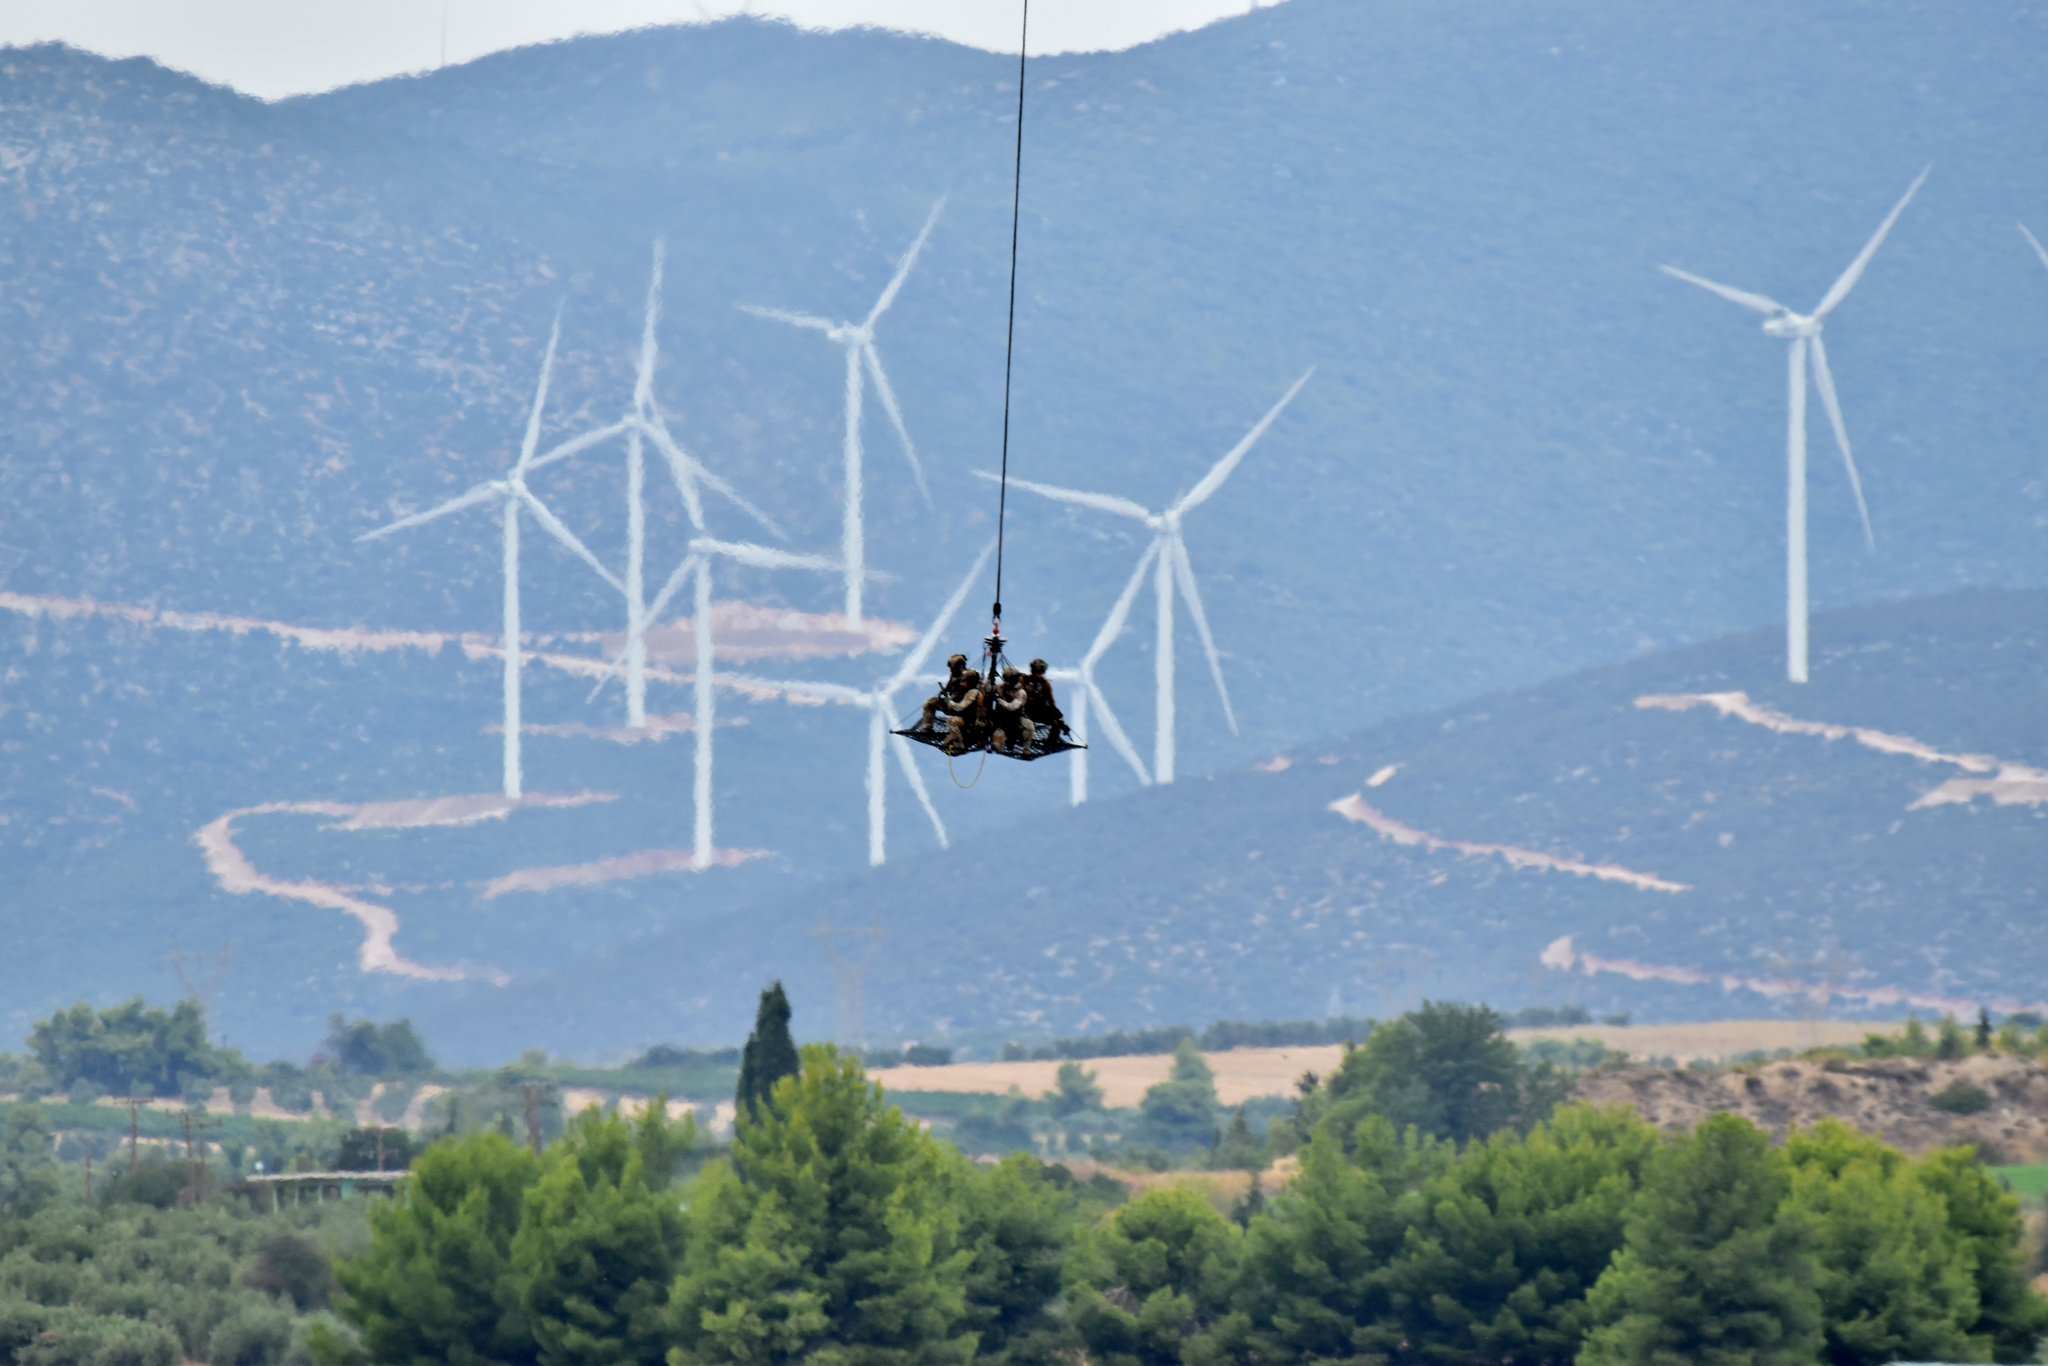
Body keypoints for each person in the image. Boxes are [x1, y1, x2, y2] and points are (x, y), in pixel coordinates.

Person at [918, 654, 972, 733]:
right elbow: (949, 688)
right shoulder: (954, 675)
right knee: (930, 702)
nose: (951, 670)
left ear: (960, 666)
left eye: (952, 668)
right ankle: (927, 728)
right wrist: (944, 692)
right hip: (951, 704)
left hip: (963, 709)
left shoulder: (969, 676)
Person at [989, 667, 1036, 754]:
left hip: (1017, 718)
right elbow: (987, 689)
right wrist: (990, 679)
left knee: (1029, 726)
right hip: (1002, 720)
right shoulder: (1000, 688)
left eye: (1008, 679)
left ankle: (1026, 748)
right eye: (1005, 679)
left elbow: (1013, 707)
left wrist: (999, 700)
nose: (1006, 681)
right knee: (997, 747)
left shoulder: (1021, 692)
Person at [1020, 658, 1069, 741]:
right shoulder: (1024, 680)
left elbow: (1052, 703)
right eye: (1038, 671)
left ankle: (1052, 740)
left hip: (1039, 713)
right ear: (1033, 670)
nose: (1040, 673)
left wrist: (1062, 723)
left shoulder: (1045, 684)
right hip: (1024, 712)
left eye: (1042, 671)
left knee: (1057, 715)